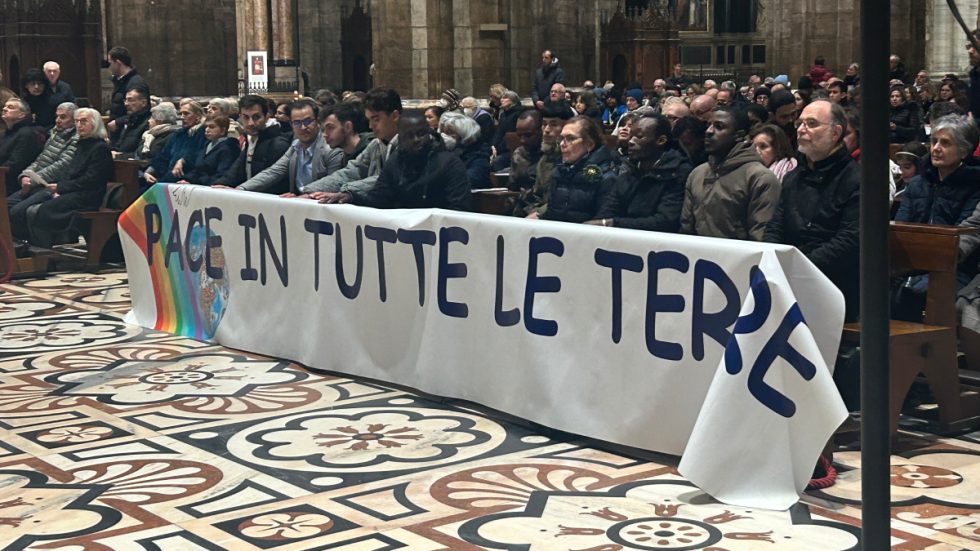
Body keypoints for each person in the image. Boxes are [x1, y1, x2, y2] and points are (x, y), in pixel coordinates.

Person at [764, 99, 861, 321]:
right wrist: (775, 261)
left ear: (835, 132)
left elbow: (849, 240)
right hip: (788, 277)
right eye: (800, 123)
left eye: (811, 123)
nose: (800, 129)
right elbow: (775, 226)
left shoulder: (857, 179)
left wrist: (800, 269)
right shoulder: (793, 177)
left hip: (833, 283)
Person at [332, 109, 470, 210]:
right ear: (400, 137)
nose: (416, 140)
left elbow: (459, 209)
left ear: (429, 132)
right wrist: (351, 197)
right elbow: (380, 198)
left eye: (421, 134)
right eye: (409, 136)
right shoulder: (395, 161)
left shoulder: (449, 163)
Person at [680, 106, 780, 241]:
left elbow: (761, 235)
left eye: (719, 127)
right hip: (698, 258)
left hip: (739, 259)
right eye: (708, 125)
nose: (709, 131)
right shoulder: (698, 173)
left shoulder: (760, 178)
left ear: (738, 135)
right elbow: (686, 228)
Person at [16, 108, 112, 248]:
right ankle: (41, 251)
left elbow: (91, 179)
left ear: (95, 123)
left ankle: (45, 253)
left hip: (88, 196)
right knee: (30, 209)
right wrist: (58, 189)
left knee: (38, 211)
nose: (79, 125)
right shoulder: (82, 144)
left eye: (83, 121)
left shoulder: (100, 148)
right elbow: (70, 172)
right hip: (74, 191)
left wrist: (60, 188)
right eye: (77, 121)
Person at [591, 114, 691, 231]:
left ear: (661, 140)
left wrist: (611, 223)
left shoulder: (678, 171)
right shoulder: (630, 168)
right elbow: (609, 208)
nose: (631, 142)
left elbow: (665, 221)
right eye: (631, 136)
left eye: (639, 136)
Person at [310, 88, 403, 201]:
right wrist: (309, 191)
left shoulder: (411, 144)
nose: (371, 126)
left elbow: (387, 179)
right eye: (369, 120)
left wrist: (349, 191)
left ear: (394, 116)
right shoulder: (375, 144)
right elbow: (353, 171)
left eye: (376, 119)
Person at [237, 99, 343, 196]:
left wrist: (303, 196)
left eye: (307, 121)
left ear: (317, 122)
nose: (303, 127)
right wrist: (241, 189)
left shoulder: (331, 149)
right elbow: (273, 172)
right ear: (291, 124)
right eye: (297, 123)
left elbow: (333, 184)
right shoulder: (295, 146)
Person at [896, 115, 980, 227]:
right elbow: (900, 226)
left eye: (945, 143)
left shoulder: (974, 186)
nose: (936, 148)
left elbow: (964, 234)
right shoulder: (916, 183)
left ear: (964, 151)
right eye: (934, 141)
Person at [8, 103, 79, 226]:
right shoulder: (55, 134)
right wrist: (25, 176)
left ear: (74, 120)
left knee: (16, 211)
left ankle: (22, 241)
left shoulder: (76, 138)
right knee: (5, 205)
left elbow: (62, 165)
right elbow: (40, 160)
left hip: (52, 186)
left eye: (63, 117)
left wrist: (33, 180)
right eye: (57, 116)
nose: (58, 121)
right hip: (37, 182)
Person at [539, 115, 617, 223]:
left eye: (570, 139)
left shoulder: (606, 177)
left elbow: (601, 221)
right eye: (562, 138)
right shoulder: (559, 172)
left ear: (589, 144)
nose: (562, 144)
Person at [515, 103, 570, 218]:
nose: (546, 130)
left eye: (553, 125)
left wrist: (539, 213)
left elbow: (568, 198)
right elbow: (537, 195)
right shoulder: (545, 158)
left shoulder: (571, 158)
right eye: (544, 124)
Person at [144, 101, 207, 186]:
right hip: (168, 177)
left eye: (186, 114)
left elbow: (199, 154)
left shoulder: (203, 133)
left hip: (188, 178)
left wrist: (183, 160)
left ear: (198, 116)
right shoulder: (178, 135)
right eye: (181, 114)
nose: (182, 117)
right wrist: (149, 172)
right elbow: (163, 157)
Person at [177, 114, 240, 186]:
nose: (207, 130)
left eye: (212, 127)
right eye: (206, 127)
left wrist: (197, 181)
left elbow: (222, 175)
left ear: (223, 130)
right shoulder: (207, 144)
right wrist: (187, 180)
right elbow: (198, 169)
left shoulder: (229, 149)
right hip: (201, 185)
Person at [0, 98, 43, 196]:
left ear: (22, 115)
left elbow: (15, 165)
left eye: (10, 107)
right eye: (5, 106)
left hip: (13, 184)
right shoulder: (5, 133)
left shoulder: (26, 134)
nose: (5, 109)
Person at [440, 111, 491, 189]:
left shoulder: (479, 157)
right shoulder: (442, 153)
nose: (444, 136)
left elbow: (466, 181)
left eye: (449, 132)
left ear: (463, 135)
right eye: (442, 132)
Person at [106, 46, 148, 137]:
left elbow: (141, 110)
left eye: (110, 63)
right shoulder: (120, 82)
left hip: (130, 132)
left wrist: (118, 122)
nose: (109, 67)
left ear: (117, 63)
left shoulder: (135, 83)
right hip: (119, 132)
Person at [318, 102, 371, 169]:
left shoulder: (371, 151)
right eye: (323, 130)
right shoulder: (344, 156)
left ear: (348, 127)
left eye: (330, 128)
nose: (324, 134)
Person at [508, 109, 543, 191]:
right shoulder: (519, 154)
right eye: (519, 135)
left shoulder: (551, 155)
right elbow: (512, 187)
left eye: (528, 135)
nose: (522, 140)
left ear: (541, 130)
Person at [112, 85, 151, 156]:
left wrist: (120, 155)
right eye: (125, 100)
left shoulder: (149, 123)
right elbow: (119, 146)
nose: (126, 104)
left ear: (143, 103)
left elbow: (142, 153)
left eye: (130, 100)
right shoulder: (129, 121)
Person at [491, 90, 523, 170]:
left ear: (513, 100)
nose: (501, 100)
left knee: (497, 162)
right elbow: (499, 132)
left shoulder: (519, 113)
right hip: (501, 148)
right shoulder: (503, 115)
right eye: (501, 98)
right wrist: (493, 145)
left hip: (512, 149)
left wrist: (499, 148)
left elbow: (512, 135)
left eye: (505, 98)